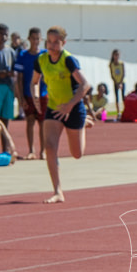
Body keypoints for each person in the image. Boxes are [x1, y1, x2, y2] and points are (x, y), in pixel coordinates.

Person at [32, 26, 91, 204]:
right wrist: (35, 95)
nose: (51, 45)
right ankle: (58, 191)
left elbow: (85, 85)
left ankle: (83, 124)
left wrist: (70, 105)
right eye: (48, 41)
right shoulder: (41, 59)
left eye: (55, 42)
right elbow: (34, 81)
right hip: (53, 108)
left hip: (73, 108)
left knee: (77, 154)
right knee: (49, 147)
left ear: (63, 43)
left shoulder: (68, 60)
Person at [15, 27, 48, 159]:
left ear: (41, 39)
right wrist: (21, 97)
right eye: (33, 38)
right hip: (28, 94)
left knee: (43, 123)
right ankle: (31, 150)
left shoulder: (45, 55)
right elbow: (19, 78)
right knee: (30, 121)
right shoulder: (23, 55)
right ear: (29, 39)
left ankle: (43, 151)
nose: (35, 41)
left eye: (38, 38)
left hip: (43, 94)